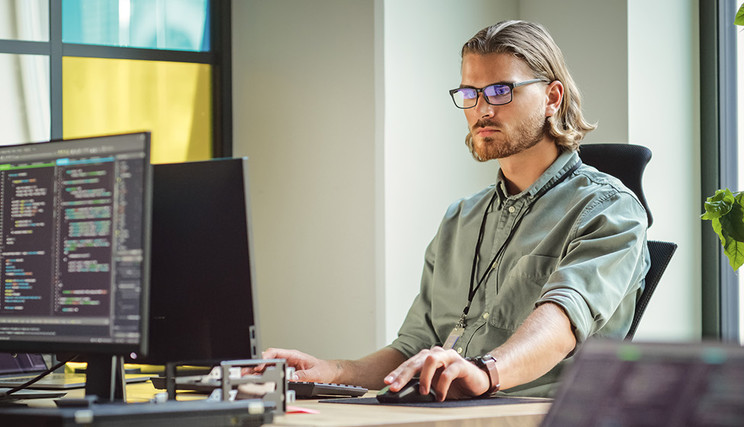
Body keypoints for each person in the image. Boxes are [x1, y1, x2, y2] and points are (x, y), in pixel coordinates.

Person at [259, 20, 650, 400]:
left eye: (500, 91)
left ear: (551, 97)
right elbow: (413, 346)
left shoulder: (610, 210)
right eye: (470, 93)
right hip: (449, 413)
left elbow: (562, 321)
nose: (482, 109)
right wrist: (331, 372)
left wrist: (484, 372)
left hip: (536, 415)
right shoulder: (461, 218)